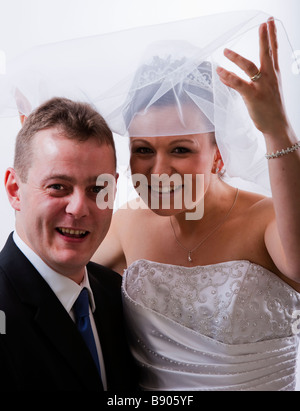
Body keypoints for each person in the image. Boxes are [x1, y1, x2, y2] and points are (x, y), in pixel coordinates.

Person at [93, 18, 300, 391]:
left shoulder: (266, 219)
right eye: (143, 150)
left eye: (180, 150)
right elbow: (49, 280)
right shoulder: (124, 224)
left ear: (218, 154)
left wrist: (275, 130)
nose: (158, 171)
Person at [0, 97, 137, 391]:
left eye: (97, 189)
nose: (79, 208)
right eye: (58, 187)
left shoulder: (118, 296)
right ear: (14, 189)